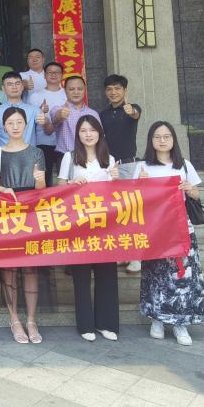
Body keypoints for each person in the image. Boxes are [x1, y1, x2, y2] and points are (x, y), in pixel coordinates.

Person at [138, 121, 204, 346]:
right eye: (157, 136)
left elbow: (197, 194)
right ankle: (157, 320)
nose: (162, 140)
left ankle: (181, 324)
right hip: (155, 230)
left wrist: (190, 189)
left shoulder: (184, 165)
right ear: (151, 140)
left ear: (173, 140)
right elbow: (136, 199)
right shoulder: (143, 167)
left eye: (166, 136)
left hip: (181, 230)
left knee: (183, 277)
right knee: (155, 276)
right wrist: (140, 184)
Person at [0, 107, 47, 345]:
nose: (15, 126)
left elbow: (42, 189)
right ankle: (14, 319)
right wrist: (1, 188)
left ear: (26, 124)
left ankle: (31, 320)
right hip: (7, 213)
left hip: (31, 214)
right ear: (3, 126)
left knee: (31, 268)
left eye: (19, 122)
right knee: (9, 268)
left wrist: (40, 180)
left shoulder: (37, 152)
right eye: (10, 123)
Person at [58, 115, 121, 342]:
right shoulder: (70, 157)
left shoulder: (109, 158)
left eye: (92, 130)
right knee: (81, 276)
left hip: (105, 226)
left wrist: (116, 180)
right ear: (77, 134)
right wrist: (71, 184)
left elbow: (117, 194)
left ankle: (106, 323)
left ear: (99, 133)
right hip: (79, 225)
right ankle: (85, 325)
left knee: (107, 275)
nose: (88, 134)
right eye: (83, 130)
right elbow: (59, 187)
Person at [100, 74, 144, 274]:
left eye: (117, 88)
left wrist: (131, 110)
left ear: (125, 91)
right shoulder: (102, 114)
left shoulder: (132, 108)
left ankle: (136, 257)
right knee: (115, 211)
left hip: (129, 166)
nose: (113, 92)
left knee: (131, 211)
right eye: (109, 89)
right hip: (109, 167)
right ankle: (122, 252)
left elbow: (135, 114)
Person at [0, 72, 45, 153]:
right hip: (4, 156)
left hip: (29, 157)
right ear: (3, 88)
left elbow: (48, 130)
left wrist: (46, 121)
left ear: (22, 86)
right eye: (9, 84)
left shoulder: (34, 110)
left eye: (17, 83)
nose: (14, 87)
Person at [26, 62, 67, 176]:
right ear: (44, 75)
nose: (53, 74)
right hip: (42, 142)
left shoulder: (68, 94)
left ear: (62, 75)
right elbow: (29, 121)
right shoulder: (35, 96)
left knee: (65, 177)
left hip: (64, 142)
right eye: (50, 72)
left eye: (57, 72)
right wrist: (39, 111)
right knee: (45, 177)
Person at [51, 75, 100, 161]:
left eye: (79, 89)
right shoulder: (58, 109)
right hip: (66, 157)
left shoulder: (93, 113)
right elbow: (56, 119)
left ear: (84, 90)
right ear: (65, 91)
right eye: (71, 89)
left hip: (89, 158)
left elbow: (100, 137)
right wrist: (61, 115)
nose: (76, 92)